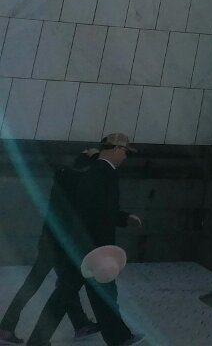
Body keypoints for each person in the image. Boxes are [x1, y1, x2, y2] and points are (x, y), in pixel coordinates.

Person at [25, 134, 145, 346]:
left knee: (73, 295)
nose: (125, 157)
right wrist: (99, 250)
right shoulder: (105, 173)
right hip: (93, 248)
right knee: (92, 295)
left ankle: (118, 338)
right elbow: (98, 212)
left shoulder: (94, 172)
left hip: (84, 247)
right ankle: (119, 338)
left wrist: (124, 218)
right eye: (125, 152)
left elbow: (96, 209)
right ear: (117, 149)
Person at [0, 149, 100, 344]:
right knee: (61, 285)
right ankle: (7, 327)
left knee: (54, 285)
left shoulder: (64, 177)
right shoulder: (79, 183)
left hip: (50, 240)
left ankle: (80, 324)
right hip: (62, 245)